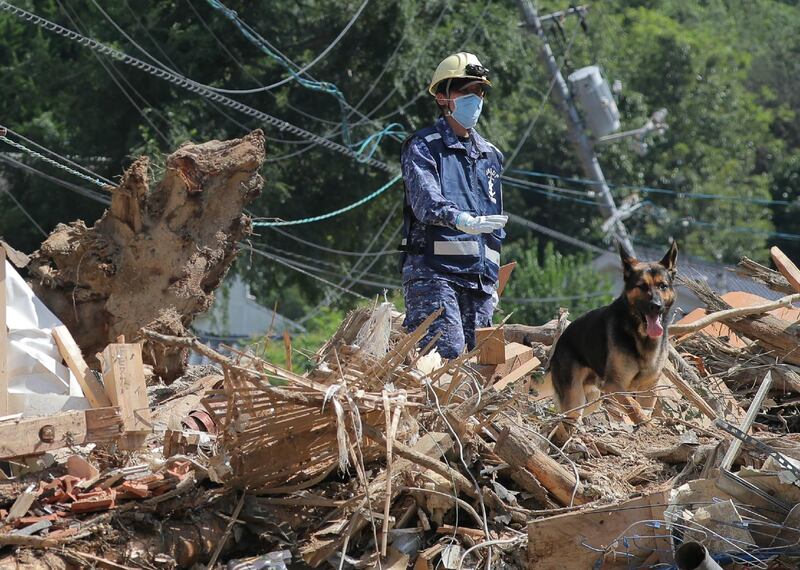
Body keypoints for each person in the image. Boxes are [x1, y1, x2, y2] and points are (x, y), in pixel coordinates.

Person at [399, 52, 508, 359]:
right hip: (434, 273)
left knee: (479, 368)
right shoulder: (423, 146)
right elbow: (425, 202)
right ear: (443, 97)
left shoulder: (490, 156)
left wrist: (492, 278)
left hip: (479, 282)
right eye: (465, 90)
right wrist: (462, 219)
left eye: (479, 91)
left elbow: (494, 229)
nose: (474, 99)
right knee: (443, 360)